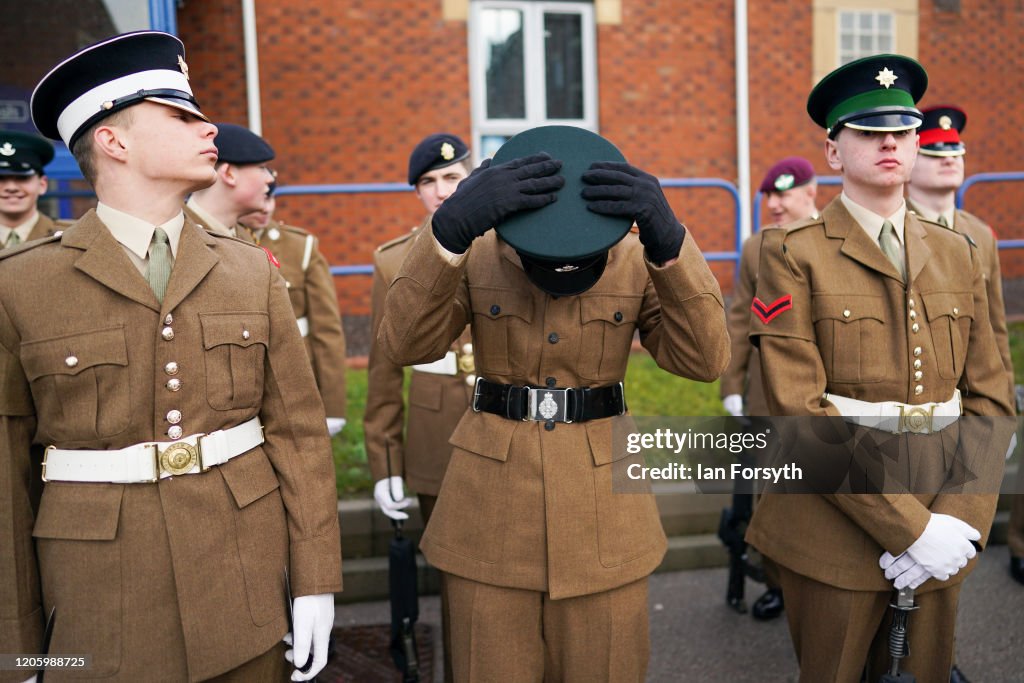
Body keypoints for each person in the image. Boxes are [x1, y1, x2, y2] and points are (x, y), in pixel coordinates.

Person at [0, 31, 341, 682]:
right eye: (180, 114)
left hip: (243, 584)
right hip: (101, 608)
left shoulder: (251, 271)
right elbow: (6, 484)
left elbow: (298, 434)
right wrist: (15, 646)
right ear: (114, 141)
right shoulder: (19, 286)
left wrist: (316, 577)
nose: (208, 125)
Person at [378, 125, 730, 681]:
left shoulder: (634, 257)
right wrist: (445, 235)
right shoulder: (477, 254)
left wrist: (670, 241)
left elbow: (705, 358)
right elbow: (404, 344)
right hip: (488, 514)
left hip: (604, 512)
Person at [746, 54, 1014, 682]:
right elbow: (796, 413)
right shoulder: (791, 255)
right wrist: (909, 529)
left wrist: (959, 522)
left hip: (943, 516)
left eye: (902, 129)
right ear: (834, 153)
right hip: (829, 528)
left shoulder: (960, 252)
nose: (889, 141)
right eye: (867, 131)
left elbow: (992, 399)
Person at [363, 132, 474, 683]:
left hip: (513, 426)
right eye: (428, 183)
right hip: (438, 438)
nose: (440, 191)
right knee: (455, 578)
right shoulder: (394, 262)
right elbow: (384, 372)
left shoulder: (511, 244)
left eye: (452, 178)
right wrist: (386, 461)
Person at [719, 156, 819, 621]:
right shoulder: (755, 247)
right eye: (769, 196)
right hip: (767, 392)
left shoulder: (835, 239)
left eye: (784, 193)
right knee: (771, 498)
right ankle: (779, 584)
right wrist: (731, 384)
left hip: (826, 395)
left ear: (810, 191)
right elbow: (741, 318)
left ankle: (824, 587)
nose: (775, 204)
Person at [239, 182, 348, 438]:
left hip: (295, 375)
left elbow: (327, 330)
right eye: (259, 198)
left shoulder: (300, 246)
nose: (265, 208)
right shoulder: (215, 240)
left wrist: (332, 405)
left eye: (271, 198)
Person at [185, 122, 275, 240]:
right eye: (262, 168)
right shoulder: (175, 236)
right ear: (229, 174)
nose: (270, 179)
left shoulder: (246, 236)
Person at [0, 131, 61, 248]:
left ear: (42, 185)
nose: (11, 188)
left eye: (22, 178)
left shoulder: (71, 236)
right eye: (1, 178)